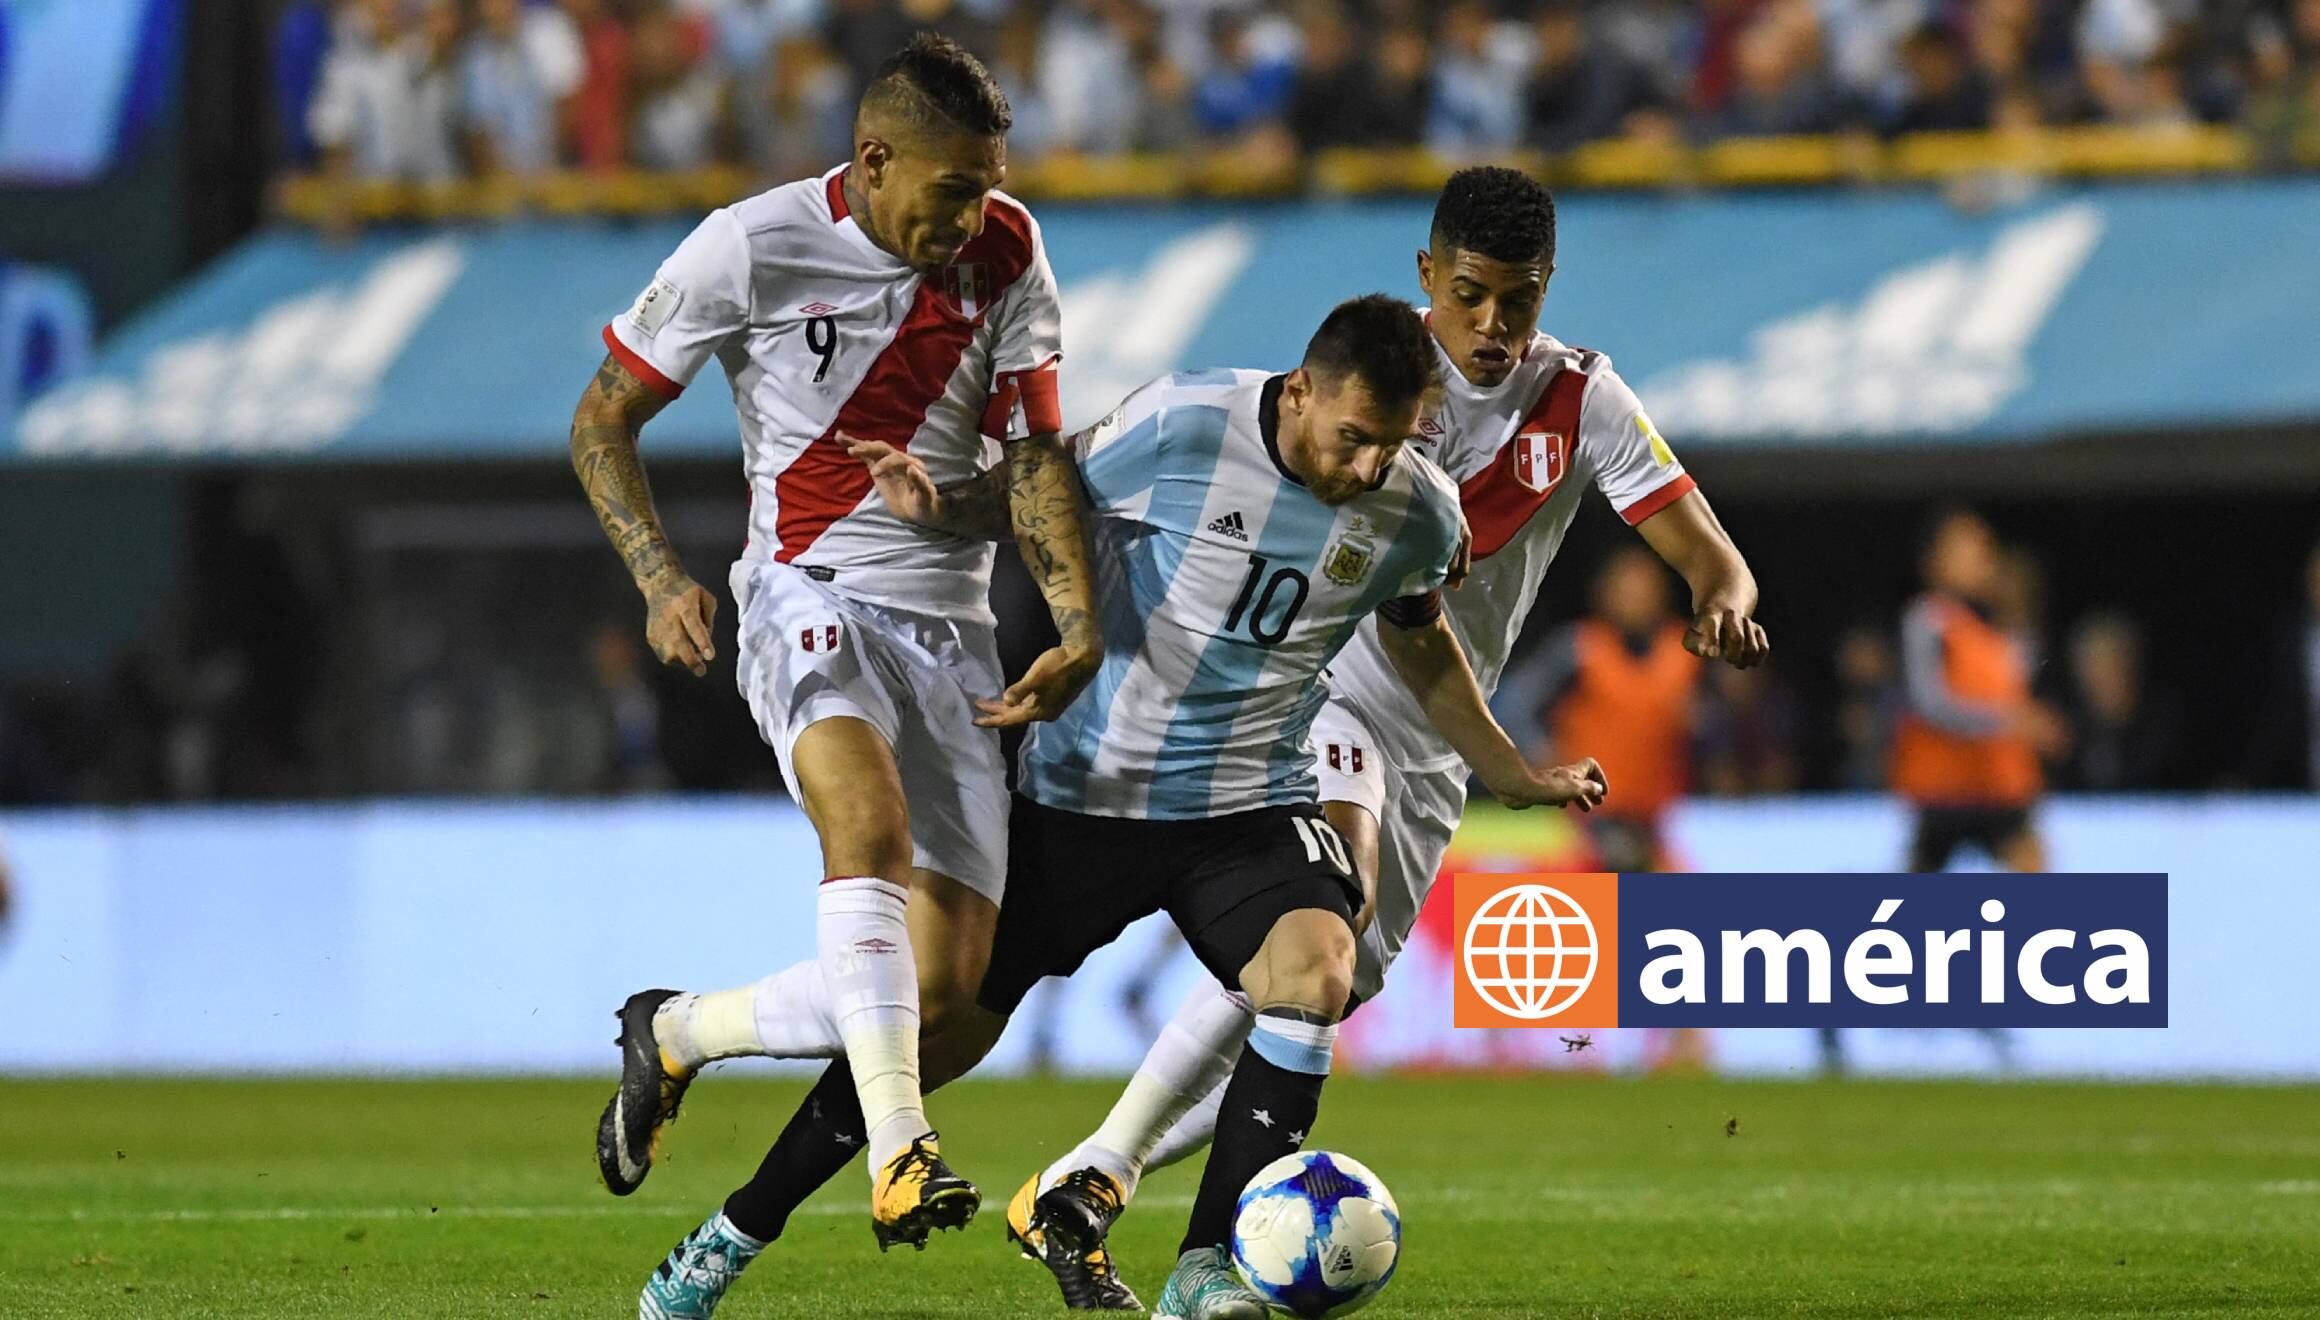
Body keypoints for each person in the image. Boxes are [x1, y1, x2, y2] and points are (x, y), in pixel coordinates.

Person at [1006, 167, 1769, 1311]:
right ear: (1428, 276)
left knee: (1332, 989)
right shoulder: (1374, 374)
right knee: (1319, 927)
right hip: (1322, 695)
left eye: (1518, 299)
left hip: (1435, 738)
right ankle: (1155, 1224)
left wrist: (1723, 598)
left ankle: (1086, 1179)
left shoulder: (1582, 399)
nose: (1494, 326)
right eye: (1471, 295)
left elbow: (1706, 547)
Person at [852, 293, 1610, 1318]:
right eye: (1352, 439)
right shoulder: (1195, 425)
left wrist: (1509, 767)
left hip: (1290, 746)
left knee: (1343, 965)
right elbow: (1048, 485)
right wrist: (943, 508)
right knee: (1307, 955)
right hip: (1279, 730)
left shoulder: (1441, 485)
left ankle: (1108, 1191)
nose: (1362, 468)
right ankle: (727, 1038)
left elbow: (1425, 632)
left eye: (1387, 445)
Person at [564, 32, 1100, 1300]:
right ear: (871, 160)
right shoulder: (746, 245)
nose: (974, 214)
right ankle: (902, 1152)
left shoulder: (1011, 251)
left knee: (948, 993)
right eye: (953, 188)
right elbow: (602, 419)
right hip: (806, 596)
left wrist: (1073, 629)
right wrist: (656, 574)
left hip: (951, 632)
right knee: (862, 827)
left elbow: (1032, 468)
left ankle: (679, 1029)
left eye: (990, 185)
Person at [1892, 509, 2062, 872]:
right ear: (1934, 561)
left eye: (1982, 549)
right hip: (1943, 789)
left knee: (2036, 872)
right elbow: (1930, 703)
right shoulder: (1928, 621)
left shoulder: (1999, 628)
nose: (1977, 559)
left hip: (1998, 787)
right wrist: (2005, 723)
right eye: (1962, 549)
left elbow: (2020, 687)